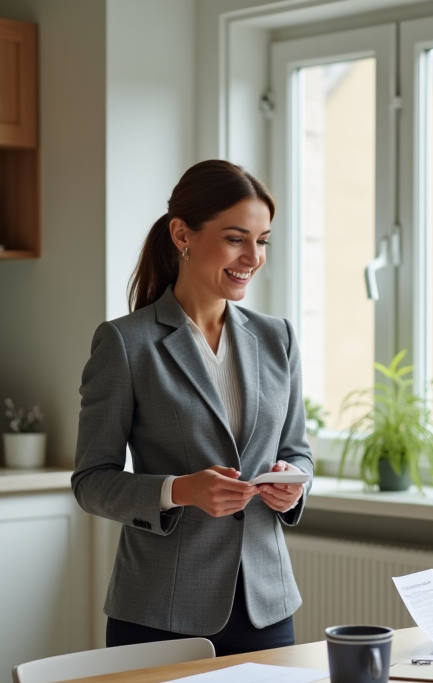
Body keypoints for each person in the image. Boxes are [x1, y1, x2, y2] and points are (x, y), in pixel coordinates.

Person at [72, 159, 313, 657]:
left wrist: (293, 483)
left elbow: (297, 450)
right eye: (235, 238)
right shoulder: (125, 343)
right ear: (182, 234)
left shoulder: (277, 337)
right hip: (162, 612)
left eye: (263, 240)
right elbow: (91, 481)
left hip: (266, 607)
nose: (254, 256)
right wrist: (180, 490)